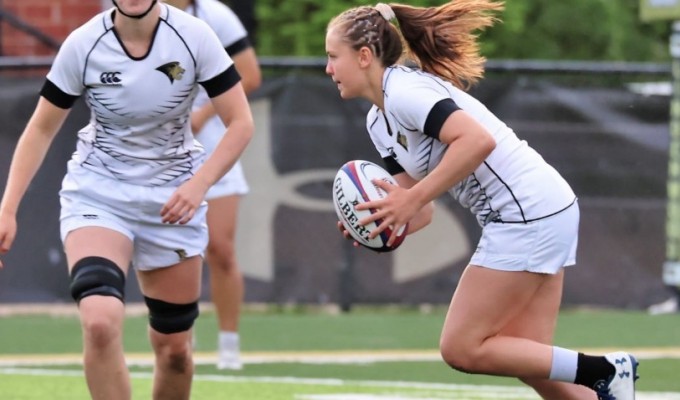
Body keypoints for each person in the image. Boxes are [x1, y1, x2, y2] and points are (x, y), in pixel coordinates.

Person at [325, 2, 638, 399]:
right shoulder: (377, 120)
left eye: (333, 57)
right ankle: (606, 384)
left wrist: (410, 199)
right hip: (539, 209)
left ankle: (605, 370)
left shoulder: (404, 91)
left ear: (364, 56)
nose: (328, 68)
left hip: (527, 213)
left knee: (461, 348)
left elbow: (476, 141)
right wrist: (381, 221)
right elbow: (419, 208)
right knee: (534, 363)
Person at [0, 0, 253, 398]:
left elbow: (240, 122)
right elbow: (40, 129)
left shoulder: (195, 36)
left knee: (175, 351)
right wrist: (7, 207)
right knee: (99, 322)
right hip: (99, 193)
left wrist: (198, 185)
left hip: (172, 199)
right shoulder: (83, 44)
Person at [163, 0, 262, 370]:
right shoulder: (139, 14)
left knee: (220, 247)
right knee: (168, 251)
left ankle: (229, 347)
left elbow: (250, 74)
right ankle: (178, 339)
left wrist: (204, 114)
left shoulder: (214, 16)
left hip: (214, 146)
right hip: (160, 153)